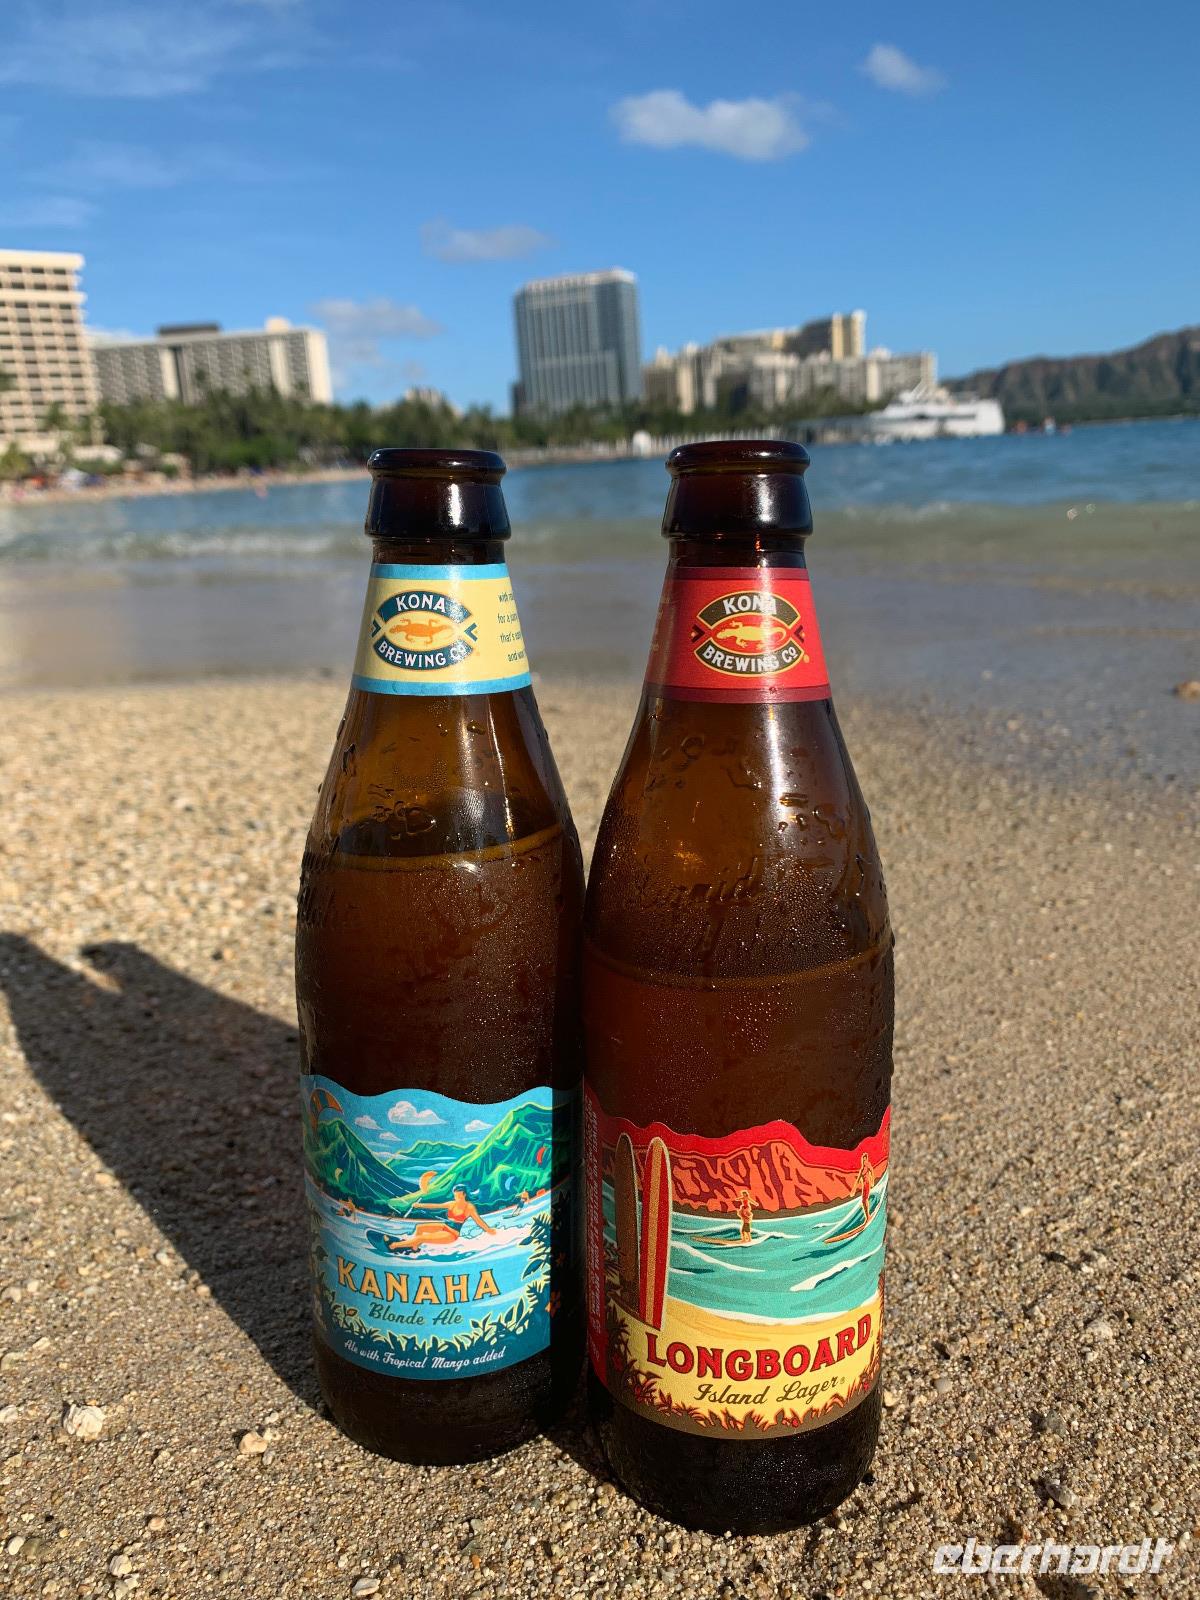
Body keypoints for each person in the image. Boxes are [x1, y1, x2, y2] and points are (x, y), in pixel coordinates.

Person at [387, 1186, 497, 1253]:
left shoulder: (469, 1207)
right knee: (420, 1228)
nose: (456, 1198)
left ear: (464, 1195)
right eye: (455, 1196)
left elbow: (478, 1220)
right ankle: (414, 1248)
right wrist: (419, 1205)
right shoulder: (451, 1204)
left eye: (459, 1196)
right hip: (444, 1227)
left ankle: (393, 1246)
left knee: (421, 1238)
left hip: (452, 1234)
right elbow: (435, 1206)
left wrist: (488, 1230)